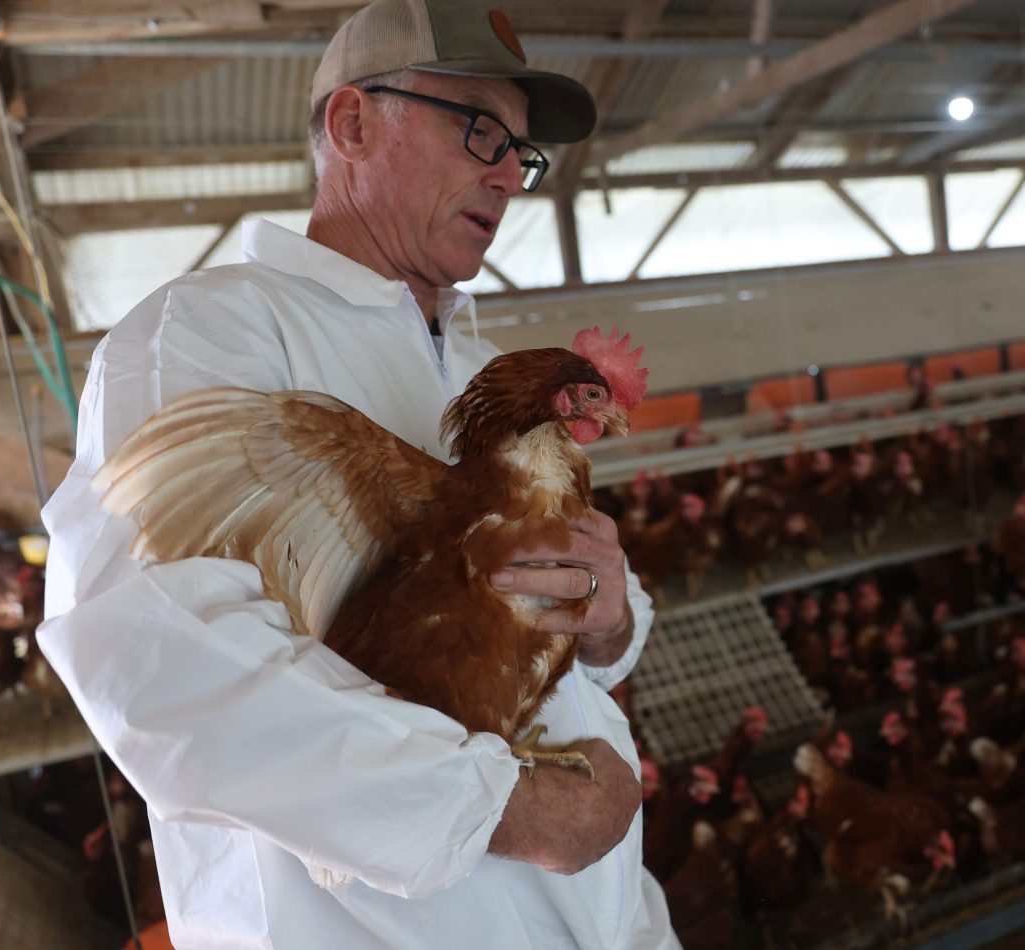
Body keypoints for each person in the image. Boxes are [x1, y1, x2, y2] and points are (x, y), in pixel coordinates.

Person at [37, 0, 678, 946]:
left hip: (616, 916)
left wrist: (615, 616)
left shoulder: (486, 369)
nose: (509, 175)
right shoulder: (208, 335)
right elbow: (161, 663)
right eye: (479, 131)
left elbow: (577, 625)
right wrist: (505, 807)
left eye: (521, 153)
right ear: (352, 123)